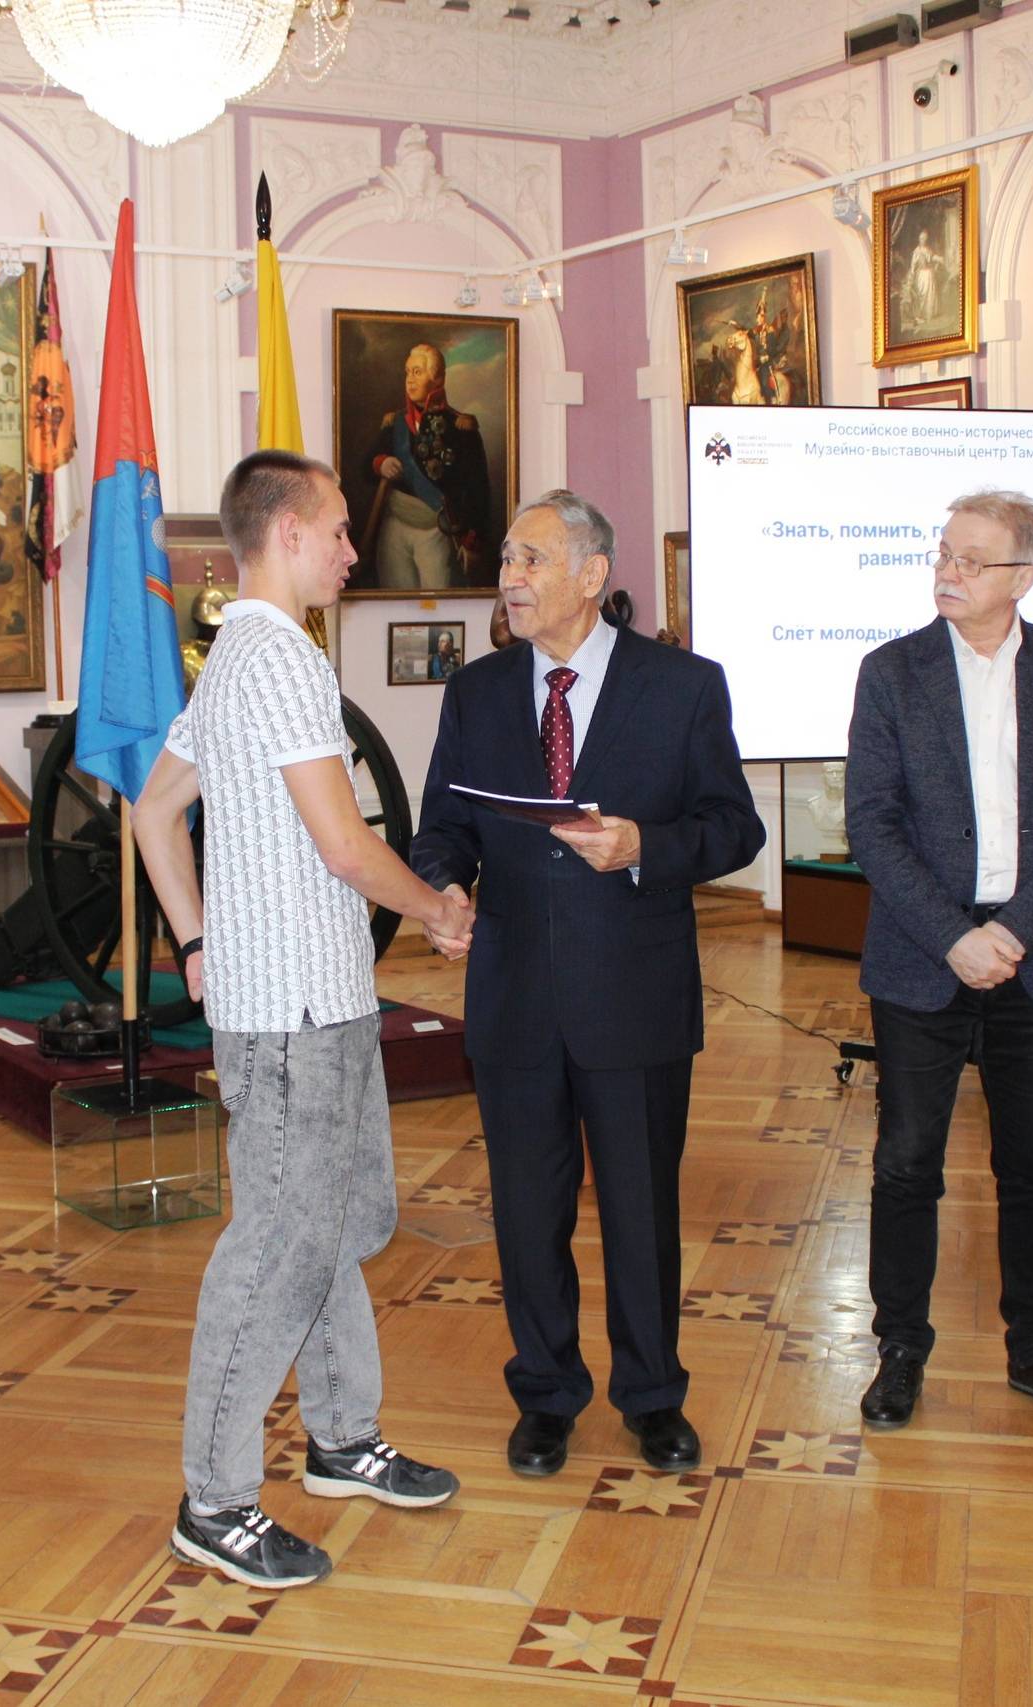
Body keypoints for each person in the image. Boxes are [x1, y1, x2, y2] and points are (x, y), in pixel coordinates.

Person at [132, 448, 477, 1590]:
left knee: (339, 1220)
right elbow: (344, 844)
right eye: (335, 529)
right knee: (278, 1246)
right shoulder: (275, 658)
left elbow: (153, 815)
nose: (350, 547)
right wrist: (437, 909)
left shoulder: (241, 653)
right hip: (288, 1018)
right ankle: (215, 1501)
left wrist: (193, 943)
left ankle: (340, 1436)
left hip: (319, 1000)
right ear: (285, 534)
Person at [410, 489, 764, 1479]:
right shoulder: (476, 692)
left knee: (641, 1211)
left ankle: (653, 1396)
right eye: (506, 560)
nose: (509, 579)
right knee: (528, 1211)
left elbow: (735, 827)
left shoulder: (683, 686)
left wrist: (647, 845)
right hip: (514, 995)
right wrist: (444, 886)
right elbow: (443, 825)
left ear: (591, 575)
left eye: (530, 560)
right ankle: (546, 1393)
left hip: (635, 996)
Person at [843, 490, 1033, 1431]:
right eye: (944, 554)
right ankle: (900, 1349)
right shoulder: (891, 671)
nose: (948, 573)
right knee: (905, 1162)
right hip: (924, 953)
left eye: (971, 560)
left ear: (1023, 576)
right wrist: (954, 936)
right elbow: (872, 823)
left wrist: (1019, 930)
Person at [362, 341, 495, 591]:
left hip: (436, 532)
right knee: (393, 599)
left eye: (418, 372)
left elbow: (478, 490)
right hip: (395, 528)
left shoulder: (460, 427)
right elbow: (365, 468)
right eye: (407, 372)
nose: (410, 380)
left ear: (437, 379)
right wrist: (381, 463)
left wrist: (472, 541)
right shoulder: (394, 424)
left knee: (438, 601)